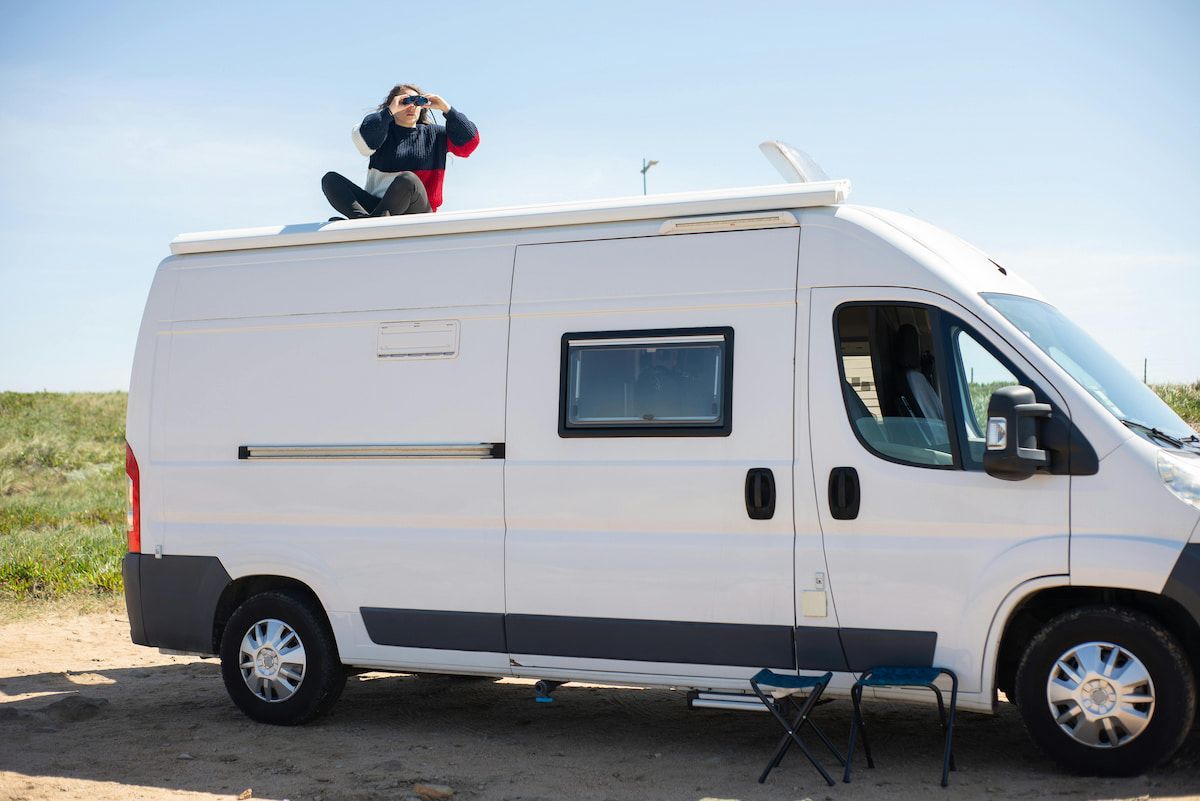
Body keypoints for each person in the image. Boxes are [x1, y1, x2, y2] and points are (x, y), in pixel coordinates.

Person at [321, 84, 480, 220]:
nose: (411, 106)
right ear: (394, 105)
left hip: (418, 212)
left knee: (408, 180)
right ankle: (366, 222)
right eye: (405, 101)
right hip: (379, 207)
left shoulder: (436, 134)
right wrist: (388, 113)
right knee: (330, 179)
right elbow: (362, 139)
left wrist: (447, 109)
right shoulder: (380, 132)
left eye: (417, 102)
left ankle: (368, 224)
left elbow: (469, 144)